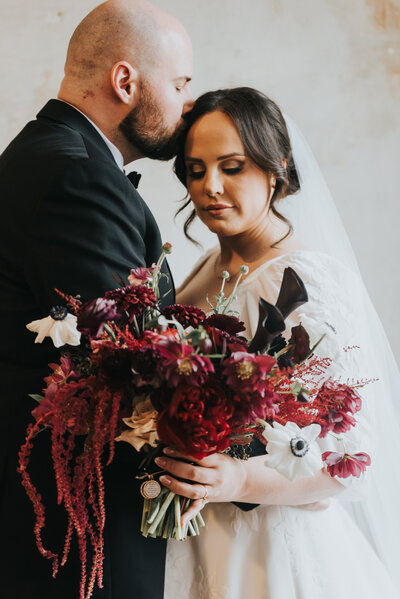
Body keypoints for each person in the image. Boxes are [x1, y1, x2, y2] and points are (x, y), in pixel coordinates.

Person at [157, 88, 400, 598]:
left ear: (276, 168)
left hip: (265, 552)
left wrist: (241, 480)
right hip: (191, 533)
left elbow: (351, 457)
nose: (210, 186)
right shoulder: (209, 266)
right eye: (196, 170)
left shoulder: (302, 281)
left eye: (232, 167)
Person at [0, 1, 193, 598]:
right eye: (179, 84)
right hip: (76, 534)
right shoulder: (77, 177)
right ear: (125, 81)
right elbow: (132, 366)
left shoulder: (48, 154)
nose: (186, 103)